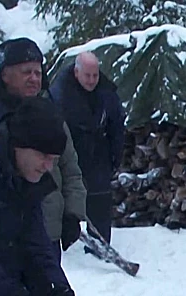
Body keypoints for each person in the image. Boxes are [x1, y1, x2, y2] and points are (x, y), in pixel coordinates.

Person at [0, 37, 87, 296]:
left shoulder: (49, 115)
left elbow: (70, 168)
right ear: (5, 74)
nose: (34, 78)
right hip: (1, 236)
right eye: (25, 71)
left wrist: (61, 294)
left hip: (39, 223)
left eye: (38, 71)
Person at [50, 51, 126, 247]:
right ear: (77, 72)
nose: (92, 80)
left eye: (95, 75)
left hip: (99, 152)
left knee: (100, 200)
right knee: (65, 199)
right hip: (70, 153)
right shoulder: (59, 94)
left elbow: (117, 125)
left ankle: (100, 245)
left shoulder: (107, 92)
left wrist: (115, 155)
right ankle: (59, 240)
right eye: (87, 75)